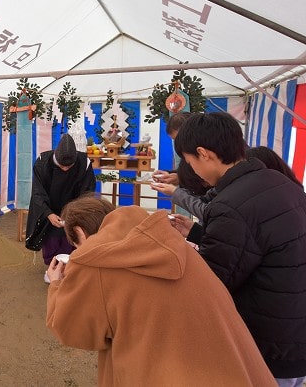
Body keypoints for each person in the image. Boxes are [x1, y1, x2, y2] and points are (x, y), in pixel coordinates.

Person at [45, 195, 276, 386]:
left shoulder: (96, 261)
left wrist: (57, 285)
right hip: (235, 371)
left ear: (80, 232)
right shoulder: (172, 243)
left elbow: (72, 329)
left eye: (75, 245)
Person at [171, 112, 306, 385]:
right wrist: (197, 232)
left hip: (267, 345)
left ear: (203, 154)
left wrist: (176, 253)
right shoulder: (281, 183)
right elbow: (258, 244)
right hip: (295, 331)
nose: (192, 170)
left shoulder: (231, 204)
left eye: (189, 162)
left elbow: (214, 281)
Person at [25, 134, 95, 283]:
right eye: (62, 165)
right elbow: (37, 192)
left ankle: (71, 268)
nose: (65, 169)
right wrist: (48, 214)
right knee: (52, 238)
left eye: (69, 166)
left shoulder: (84, 163)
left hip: (75, 207)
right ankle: (51, 269)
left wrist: (76, 213)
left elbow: (87, 191)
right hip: (50, 206)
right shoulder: (43, 162)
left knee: (73, 236)